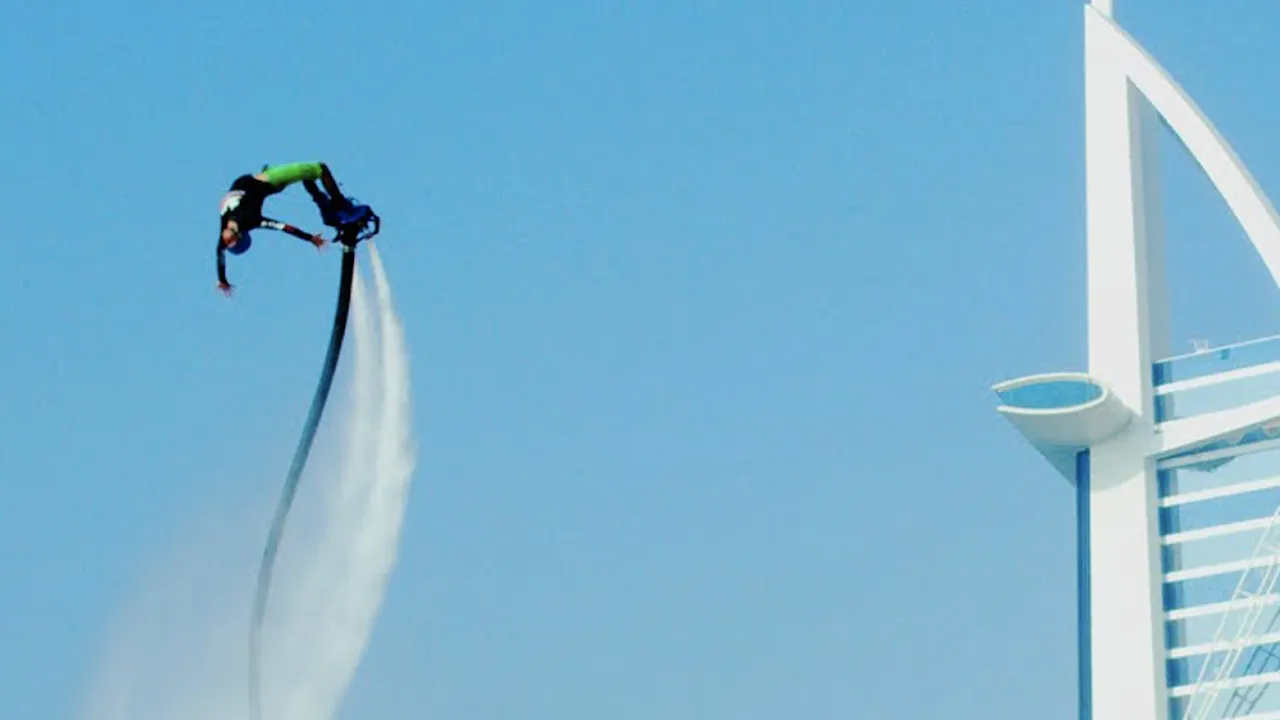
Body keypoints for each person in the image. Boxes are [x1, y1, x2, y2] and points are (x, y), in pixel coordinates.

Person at [216, 161, 346, 296]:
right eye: (229, 242)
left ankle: (339, 206)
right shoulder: (252, 220)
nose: (224, 241)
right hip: (272, 181)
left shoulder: (224, 230)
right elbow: (283, 227)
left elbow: (219, 256)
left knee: (315, 172)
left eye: (225, 243)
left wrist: (222, 280)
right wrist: (310, 238)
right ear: (239, 235)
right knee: (318, 169)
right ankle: (337, 209)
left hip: (266, 177)